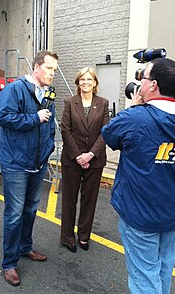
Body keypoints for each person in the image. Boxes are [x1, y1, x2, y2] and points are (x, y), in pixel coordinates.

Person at [101, 58, 175, 294]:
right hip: (172, 213)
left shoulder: (136, 118)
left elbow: (109, 134)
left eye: (144, 79)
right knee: (162, 270)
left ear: (153, 86)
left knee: (144, 279)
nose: (140, 84)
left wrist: (135, 106)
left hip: (140, 215)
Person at [0, 50, 58, 286]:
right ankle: (9, 263)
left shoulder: (48, 94)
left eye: (54, 69)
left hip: (38, 163)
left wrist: (48, 150)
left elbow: (49, 124)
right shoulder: (15, 89)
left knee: (31, 209)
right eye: (49, 68)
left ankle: (25, 247)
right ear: (36, 67)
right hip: (16, 164)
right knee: (14, 214)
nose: (53, 73)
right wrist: (34, 118)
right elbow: (4, 117)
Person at [60, 67, 109, 252]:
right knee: (69, 200)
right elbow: (65, 130)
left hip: (95, 160)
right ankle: (67, 237)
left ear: (95, 83)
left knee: (89, 200)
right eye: (82, 79)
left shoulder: (103, 103)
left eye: (89, 79)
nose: (85, 82)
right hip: (72, 159)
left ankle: (83, 236)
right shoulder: (70, 102)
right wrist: (78, 156)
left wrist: (90, 154)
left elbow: (105, 132)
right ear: (78, 82)